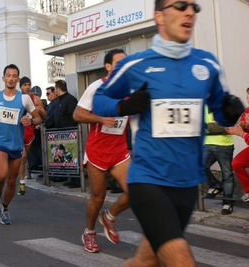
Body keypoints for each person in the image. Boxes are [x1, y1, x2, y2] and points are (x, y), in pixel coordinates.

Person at [92, 1, 244, 266]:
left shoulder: (207, 64)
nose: (189, 12)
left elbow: (221, 112)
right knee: (181, 260)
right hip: (149, 180)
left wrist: (230, 112)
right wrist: (123, 105)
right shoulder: (135, 64)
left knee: (145, 261)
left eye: (193, 7)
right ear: (159, 16)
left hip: (186, 184)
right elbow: (99, 100)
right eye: (181, 5)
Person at [73, 48, 130, 253]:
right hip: (97, 152)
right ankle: (89, 232)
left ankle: (109, 216)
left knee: (136, 190)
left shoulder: (131, 89)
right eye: (119, 63)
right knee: (98, 197)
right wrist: (100, 118)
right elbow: (77, 114)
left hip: (120, 151)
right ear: (108, 67)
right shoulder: (97, 87)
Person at [0, 64, 41, 225]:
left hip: (16, 144)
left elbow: (38, 118)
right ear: (3, 78)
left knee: (12, 180)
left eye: (14, 76)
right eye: (8, 75)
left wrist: (31, 121)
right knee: (3, 174)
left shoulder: (25, 99)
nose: (11, 78)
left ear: (17, 79)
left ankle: (4, 208)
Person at [17, 76, 47, 196]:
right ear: (21, 87)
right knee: (23, 157)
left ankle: (19, 177)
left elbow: (44, 116)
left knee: (24, 159)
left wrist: (39, 111)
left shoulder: (35, 99)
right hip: (18, 131)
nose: (27, 87)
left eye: (29, 84)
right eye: (25, 85)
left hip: (29, 132)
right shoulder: (17, 98)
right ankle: (22, 184)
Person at [203, 106, 235, 215]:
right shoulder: (204, 105)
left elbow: (227, 127)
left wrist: (207, 128)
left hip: (224, 145)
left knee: (227, 175)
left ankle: (228, 203)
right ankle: (215, 185)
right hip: (208, 144)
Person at [52, 80, 79, 187]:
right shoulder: (60, 100)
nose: (54, 91)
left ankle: (76, 180)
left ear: (58, 89)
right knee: (66, 158)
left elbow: (74, 116)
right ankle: (71, 178)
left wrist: (68, 128)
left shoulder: (70, 100)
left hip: (70, 134)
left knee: (72, 157)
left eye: (55, 89)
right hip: (63, 134)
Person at [226, 87, 249, 203]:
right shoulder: (247, 111)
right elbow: (244, 128)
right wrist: (240, 128)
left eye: (248, 96)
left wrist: (242, 133)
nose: (246, 98)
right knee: (237, 163)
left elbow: (244, 134)